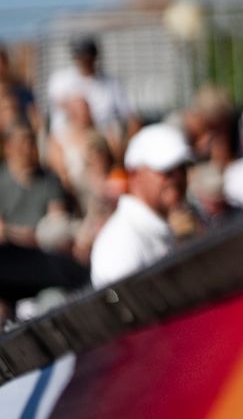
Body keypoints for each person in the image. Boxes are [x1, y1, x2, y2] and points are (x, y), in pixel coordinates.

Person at [89, 123, 193, 287]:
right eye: (166, 170)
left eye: (182, 168)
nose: (177, 178)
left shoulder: (176, 227)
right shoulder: (119, 243)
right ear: (134, 174)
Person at [47, 38, 128, 144]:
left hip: (102, 137)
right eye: (81, 56)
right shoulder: (60, 79)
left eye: (88, 55)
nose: (85, 60)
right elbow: (62, 105)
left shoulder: (111, 83)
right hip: (68, 138)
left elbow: (128, 114)